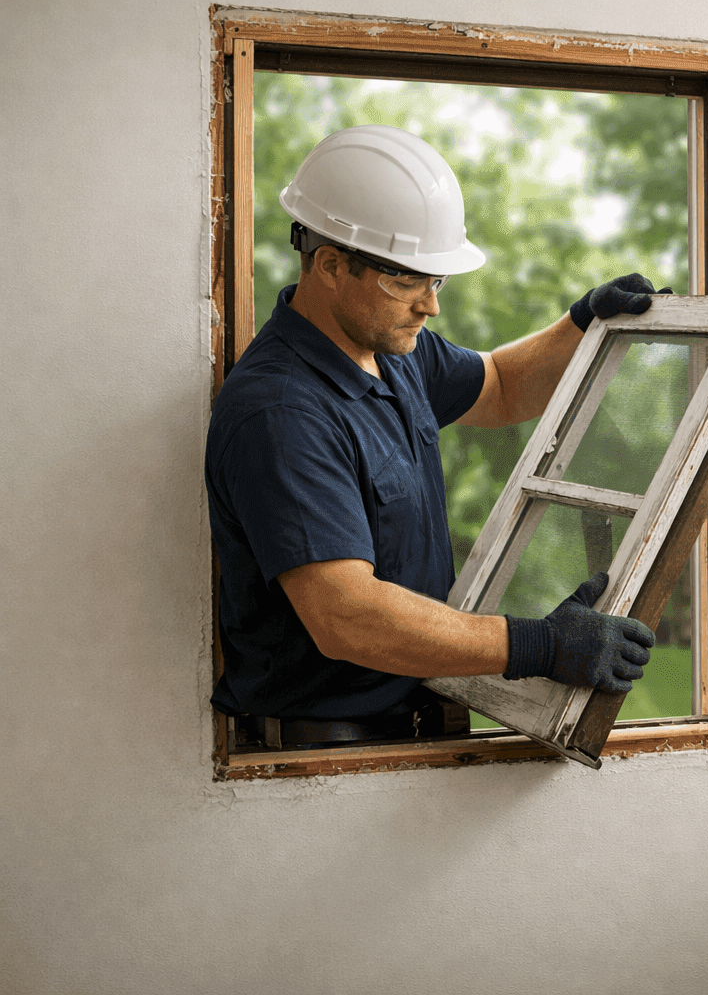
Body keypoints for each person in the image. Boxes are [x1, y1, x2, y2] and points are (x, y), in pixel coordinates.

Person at [206, 124, 663, 746]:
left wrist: (581, 325)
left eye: (436, 280)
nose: (430, 306)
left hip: (415, 724)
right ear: (332, 265)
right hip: (328, 754)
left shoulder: (393, 351)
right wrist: (541, 645)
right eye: (407, 280)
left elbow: (500, 385)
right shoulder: (283, 412)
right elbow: (347, 616)